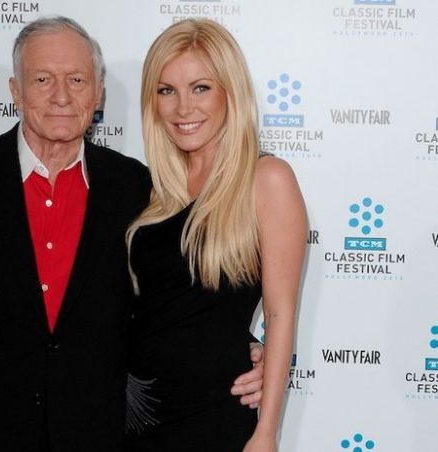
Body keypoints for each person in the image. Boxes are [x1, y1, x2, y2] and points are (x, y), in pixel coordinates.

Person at [0, 16, 264, 452]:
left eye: (77, 80)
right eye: (43, 79)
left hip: (93, 436)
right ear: (15, 91)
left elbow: (170, 306)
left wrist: (248, 348)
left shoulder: (138, 189)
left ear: (98, 93)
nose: (61, 96)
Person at [124, 19, 307, 452]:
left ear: (230, 92)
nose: (183, 108)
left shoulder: (267, 179)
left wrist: (266, 433)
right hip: (136, 414)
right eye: (167, 90)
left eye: (200, 88)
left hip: (215, 415)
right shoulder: (150, 189)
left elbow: (280, 314)